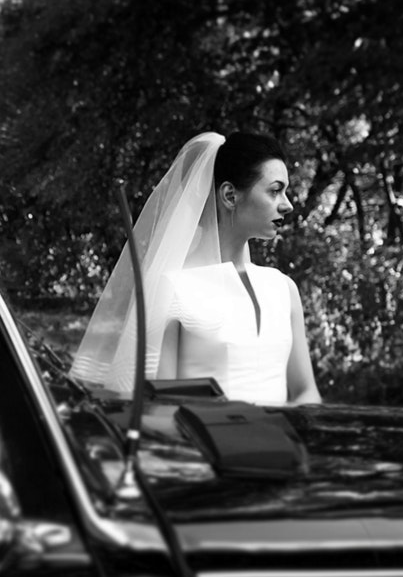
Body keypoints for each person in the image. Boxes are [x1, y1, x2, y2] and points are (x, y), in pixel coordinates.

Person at [71, 131, 322, 406]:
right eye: (275, 191)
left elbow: (306, 393)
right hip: (206, 445)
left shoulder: (284, 288)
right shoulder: (173, 290)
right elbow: (156, 407)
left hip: (281, 446)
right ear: (229, 195)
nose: (288, 205)